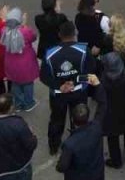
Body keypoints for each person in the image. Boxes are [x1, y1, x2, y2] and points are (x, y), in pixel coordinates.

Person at [40, 21, 97, 155]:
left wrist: (60, 86)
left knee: (56, 120)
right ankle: (79, 143)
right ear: (75, 34)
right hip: (79, 92)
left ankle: (53, 146)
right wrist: (76, 81)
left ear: (60, 35)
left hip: (58, 94)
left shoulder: (50, 53)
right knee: (79, 118)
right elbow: (92, 69)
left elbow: (43, 76)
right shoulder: (83, 50)